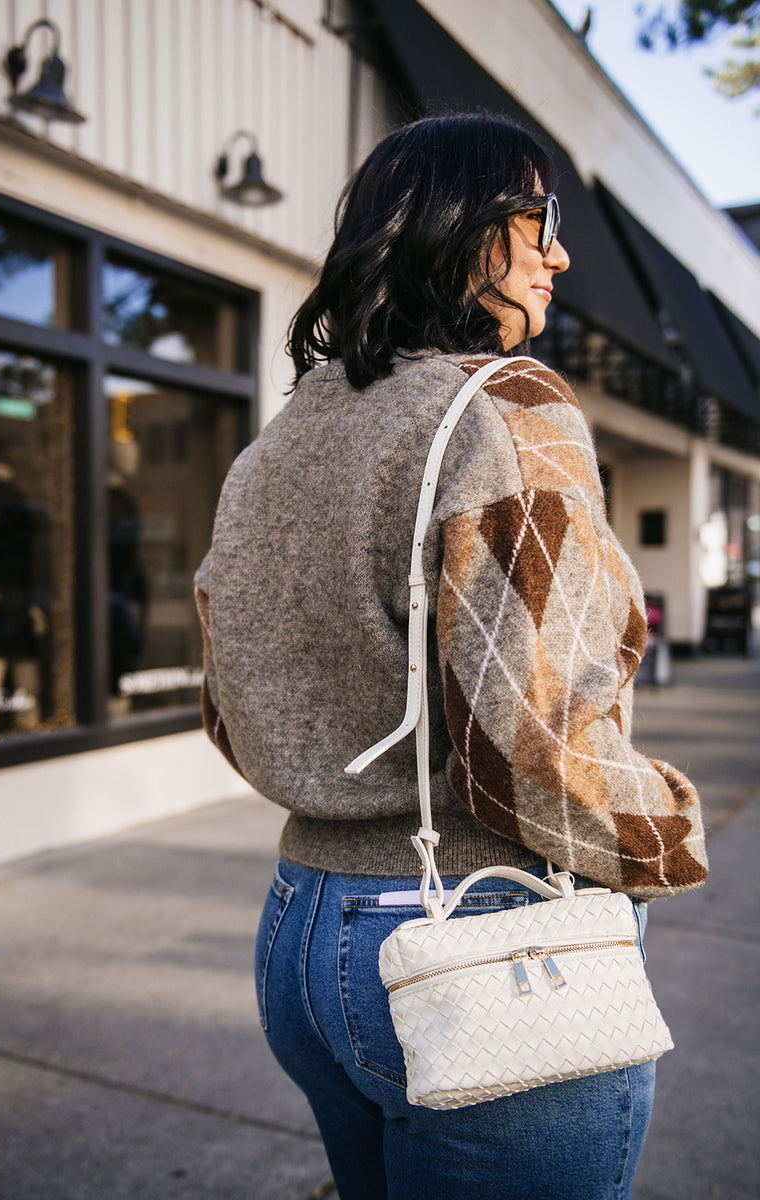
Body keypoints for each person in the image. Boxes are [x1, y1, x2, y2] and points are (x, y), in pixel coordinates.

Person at [195, 114, 707, 1200]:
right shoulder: (504, 408)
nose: (558, 255)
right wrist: (661, 836)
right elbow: (537, 736)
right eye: (538, 221)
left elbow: (230, 710)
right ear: (460, 230)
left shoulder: (274, 445)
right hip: (480, 933)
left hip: (301, 933)